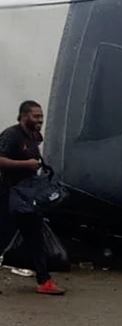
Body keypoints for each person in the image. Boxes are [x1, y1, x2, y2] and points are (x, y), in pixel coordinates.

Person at [0, 100, 66, 295]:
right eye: (36, 116)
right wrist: (25, 165)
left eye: (41, 116)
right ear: (23, 116)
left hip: (28, 197)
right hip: (8, 194)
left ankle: (44, 281)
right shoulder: (11, 135)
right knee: (2, 237)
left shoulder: (35, 136)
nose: (40, 120)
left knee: (35, 237)